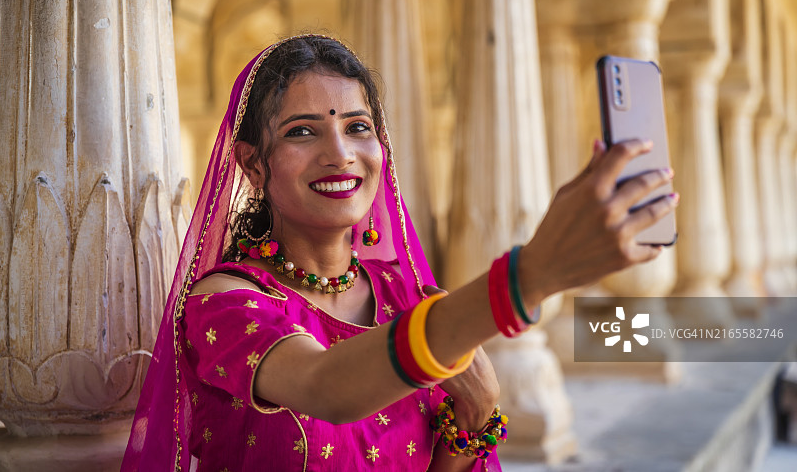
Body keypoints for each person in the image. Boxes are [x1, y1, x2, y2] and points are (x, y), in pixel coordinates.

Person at [121, 34, 678, 471]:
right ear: (252, 165)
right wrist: (531, 276)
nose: (339, 154)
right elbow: (327, 387)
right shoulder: (226, 302)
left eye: (358, 127)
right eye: (302, 132)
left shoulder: (408, 297)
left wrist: (477, 413)